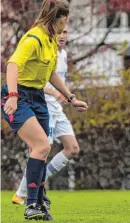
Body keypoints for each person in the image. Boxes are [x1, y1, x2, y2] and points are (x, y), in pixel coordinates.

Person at [1, 0, 88, 221]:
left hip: (37, 96)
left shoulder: (51, 41)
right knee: (41, 145)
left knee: (41, 148)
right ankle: (31, 204)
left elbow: (49, 74)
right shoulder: (34, 39)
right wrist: (12, 96)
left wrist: (71, 98)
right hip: (18, 95)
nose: (66, 24)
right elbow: (12, 66)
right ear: (57, 18)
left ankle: (38, 199)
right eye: (65, 19)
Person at [12, 25, 80, 210]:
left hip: (57, 109)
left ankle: (30, 188)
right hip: (43, 107)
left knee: (72, 148)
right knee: (41, 149)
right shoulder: (43, 51)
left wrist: (68, 97)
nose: (62, 36)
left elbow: (56, 79)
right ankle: (25, 194)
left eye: (66, 32)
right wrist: (56, 93)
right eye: (60, 32)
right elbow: (32, 82)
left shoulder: (63, 55)